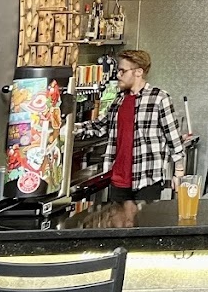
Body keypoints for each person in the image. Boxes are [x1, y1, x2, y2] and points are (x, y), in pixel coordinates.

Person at [78, 50, 187, 202]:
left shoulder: (159, 99)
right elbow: (98, 126)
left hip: (146, 180)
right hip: (118, 181)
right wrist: (68, 129)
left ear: (138, 72)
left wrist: (179, 173)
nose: (118, 75)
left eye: (122, 71)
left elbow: (174, 140)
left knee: (144, 218)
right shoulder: (118, 101)